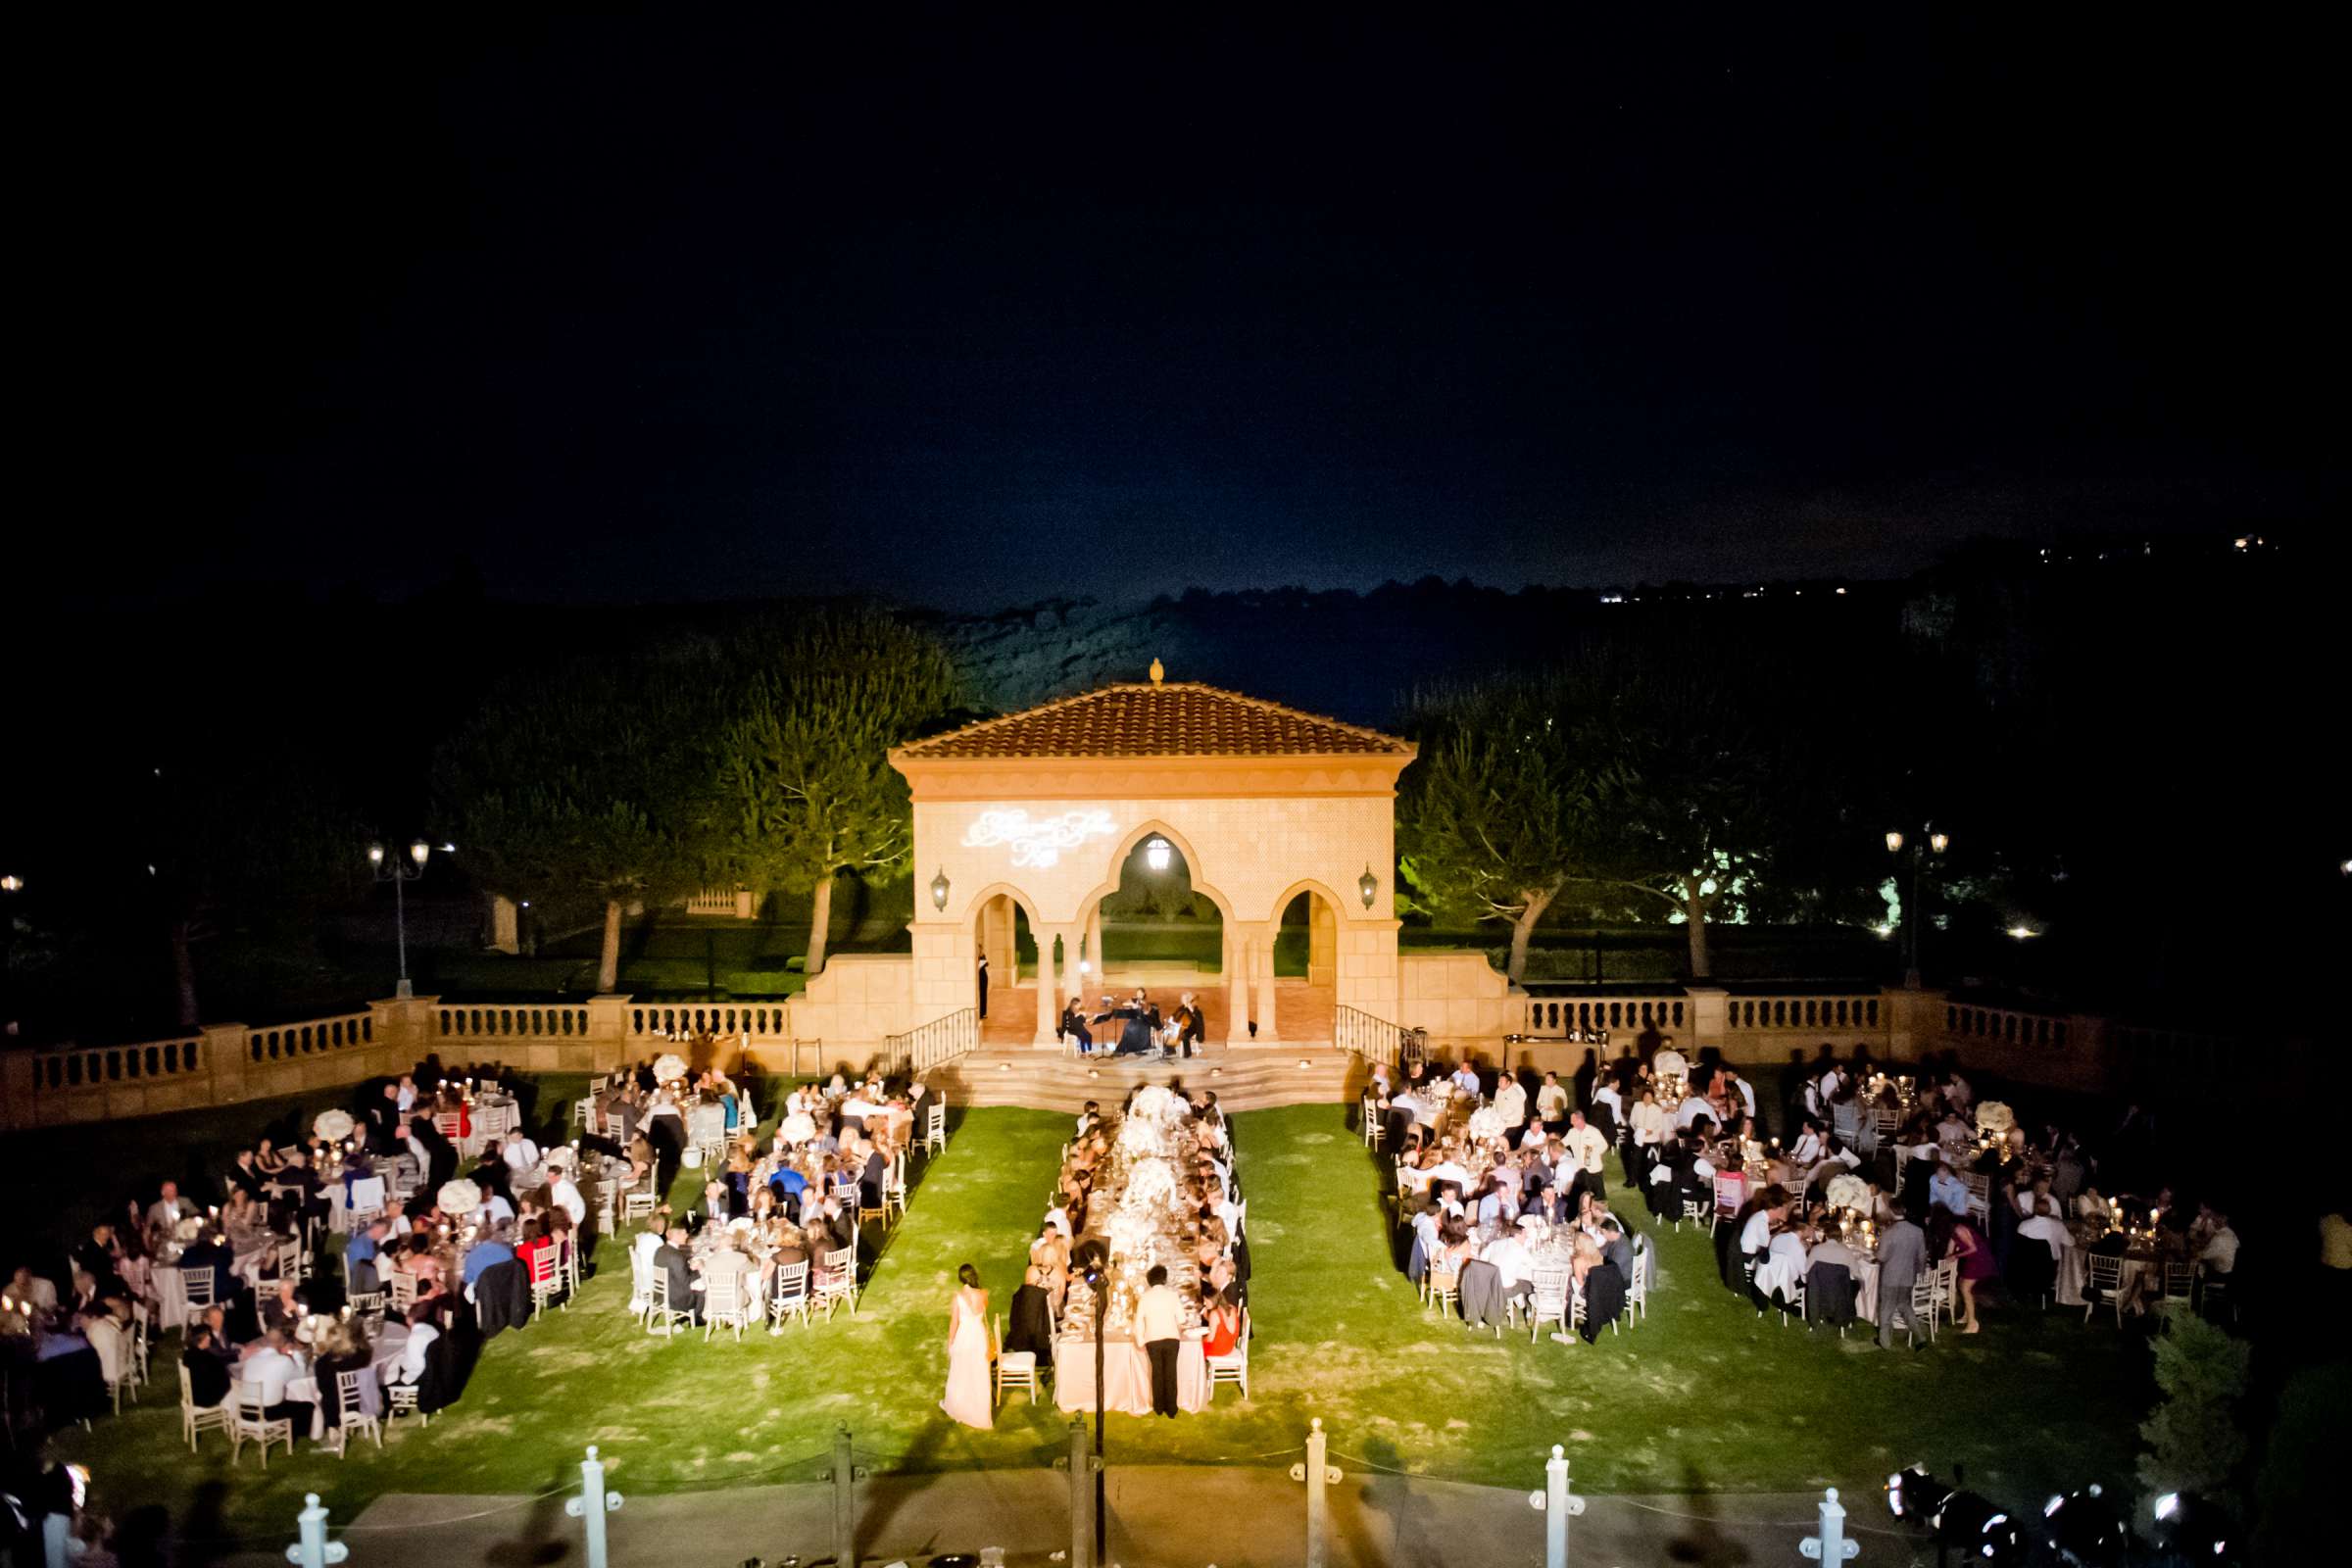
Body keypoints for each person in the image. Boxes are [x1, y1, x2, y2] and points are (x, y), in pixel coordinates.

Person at [939, 1262, 993, 1429]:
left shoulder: (958, 1297)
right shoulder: (983, 1293)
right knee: (979, 1373)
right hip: (979, 1336)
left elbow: (954, 1322)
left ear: (961, 1278)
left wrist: (950, 1342)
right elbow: (984, 1311)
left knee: (960, 1371)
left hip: (964, 1337)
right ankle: (980, 1414)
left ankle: (960, 1406)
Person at [1876, 1200, 1929, 1349]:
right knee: (1905, 1306)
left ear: (1891, 1212)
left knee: (1886, 1308)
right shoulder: (1917, 1231)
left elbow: (1881, 1257)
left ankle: (1884, 1343)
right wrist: (1921, 1272)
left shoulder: (1889, 1233)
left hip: (1891, 1277)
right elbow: (1921, 1256)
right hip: (1907, 1276)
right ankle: (1920, 1338)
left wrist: (1875, 1251)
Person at [1135, 1262, 1185, 1418]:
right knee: (1171, 1373)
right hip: (1171, 1339)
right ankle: (1172, 1409)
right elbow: (1181, 1318)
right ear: (1164, 1279)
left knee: (1157, 1373)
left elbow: (1138, 1322)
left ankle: (1158, 1407)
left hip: (1153, 1339)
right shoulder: (1173, 1295)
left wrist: (1140, 1341)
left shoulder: (1144, 1297)